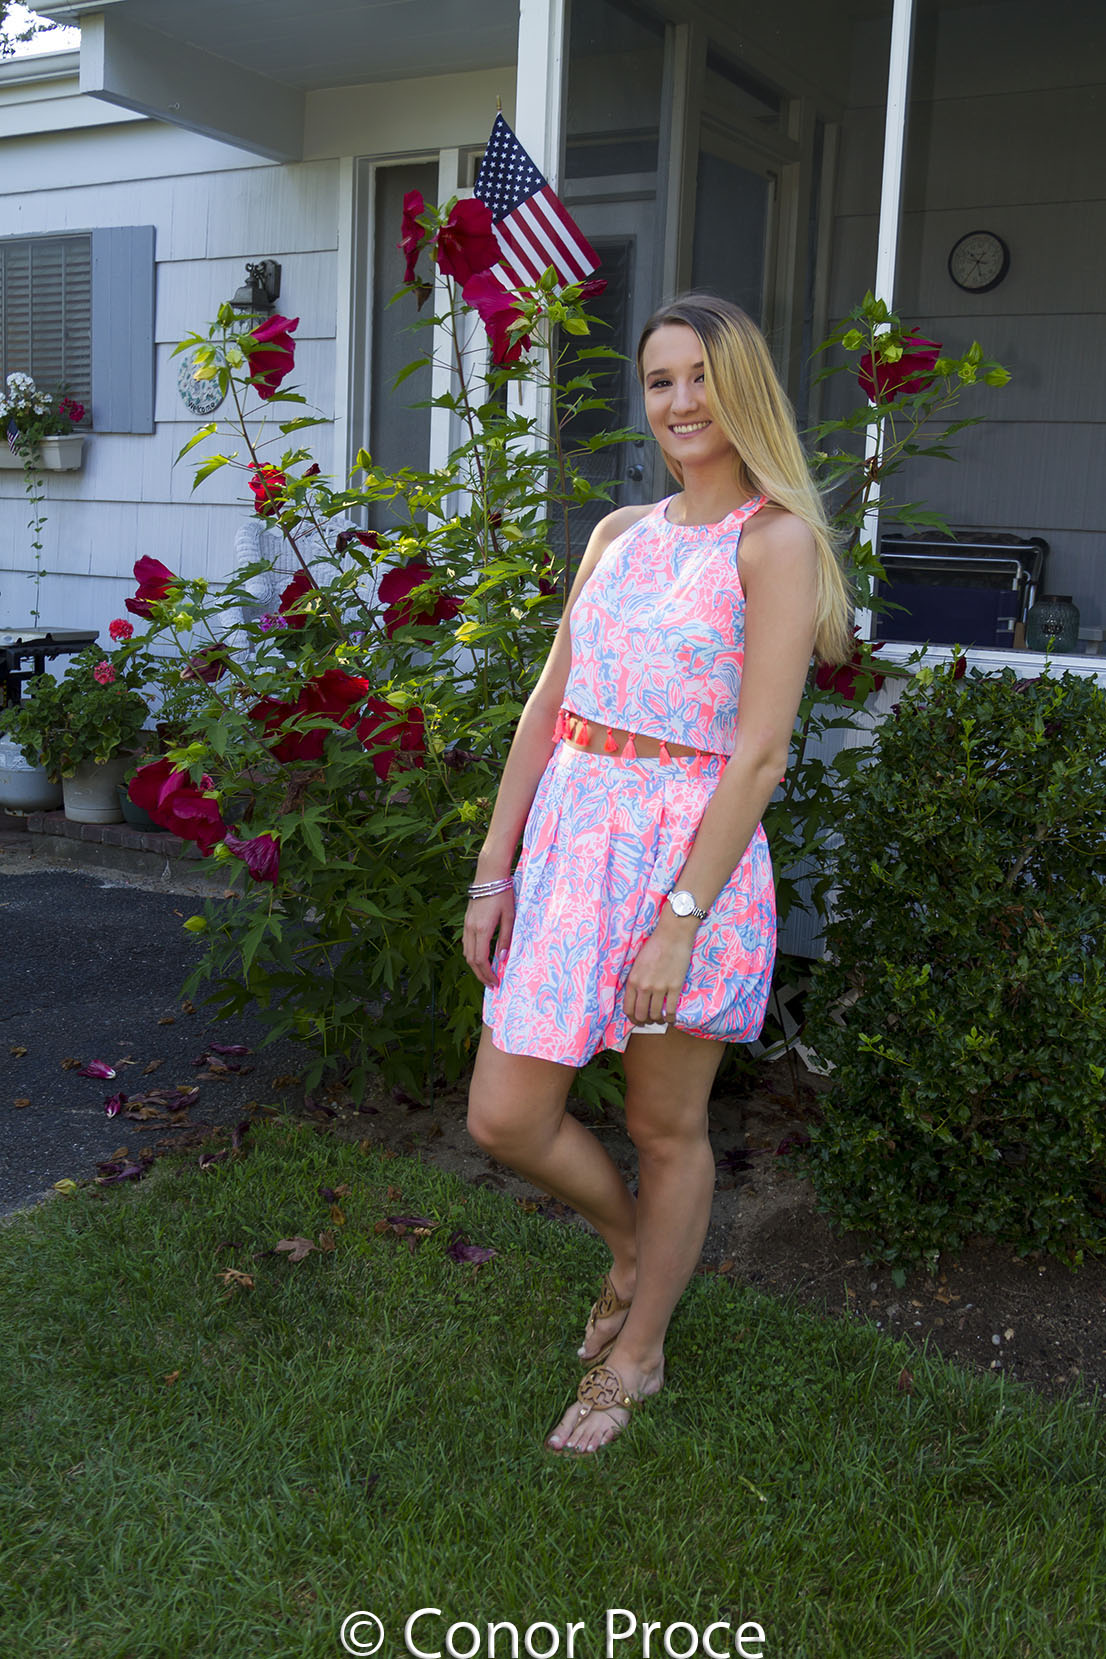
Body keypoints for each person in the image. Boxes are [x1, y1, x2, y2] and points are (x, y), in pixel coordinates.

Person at [462, 293, 851, 1454]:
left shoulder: (773, 543)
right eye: (659, 380)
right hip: (573, 850)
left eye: (699, 378)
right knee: (503, 1115)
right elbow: (547, 705)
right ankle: (631, 1246)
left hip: (690, 865)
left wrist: (679, 919)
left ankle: (638, 1353)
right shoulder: (618, 533)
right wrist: (493, 870)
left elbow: (760, 754)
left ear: (742, 392)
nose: (679, 402)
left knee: (663, 1123)